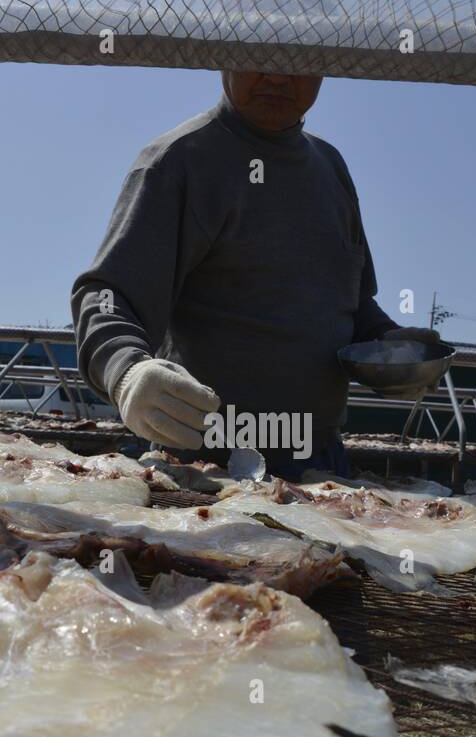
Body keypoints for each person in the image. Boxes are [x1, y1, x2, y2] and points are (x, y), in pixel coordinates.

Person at [71, 71, 437, 479]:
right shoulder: (180, 161)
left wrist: (390, 351)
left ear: (327, 65)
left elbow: (352, 303)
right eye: (257, 55)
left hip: (320, 460)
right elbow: (107, 293)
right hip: (205, 462)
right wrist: (126, 370)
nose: (278, 76)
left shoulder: (331, 168)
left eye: (298, 60)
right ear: (225, 56)